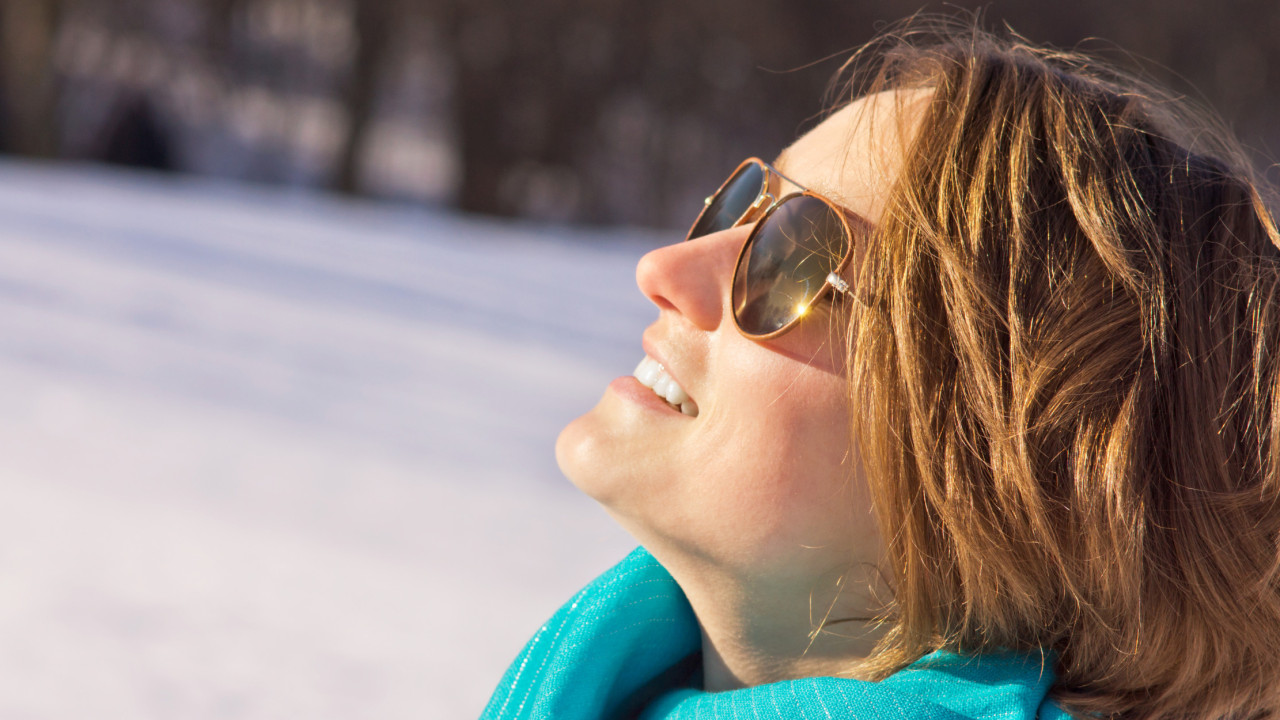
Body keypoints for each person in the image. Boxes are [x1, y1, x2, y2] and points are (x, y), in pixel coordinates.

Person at [483, 16, 1280, 720]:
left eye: (793, 258)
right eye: (742, 205)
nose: (666, 267)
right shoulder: (574, 686)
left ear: (1000, 473)